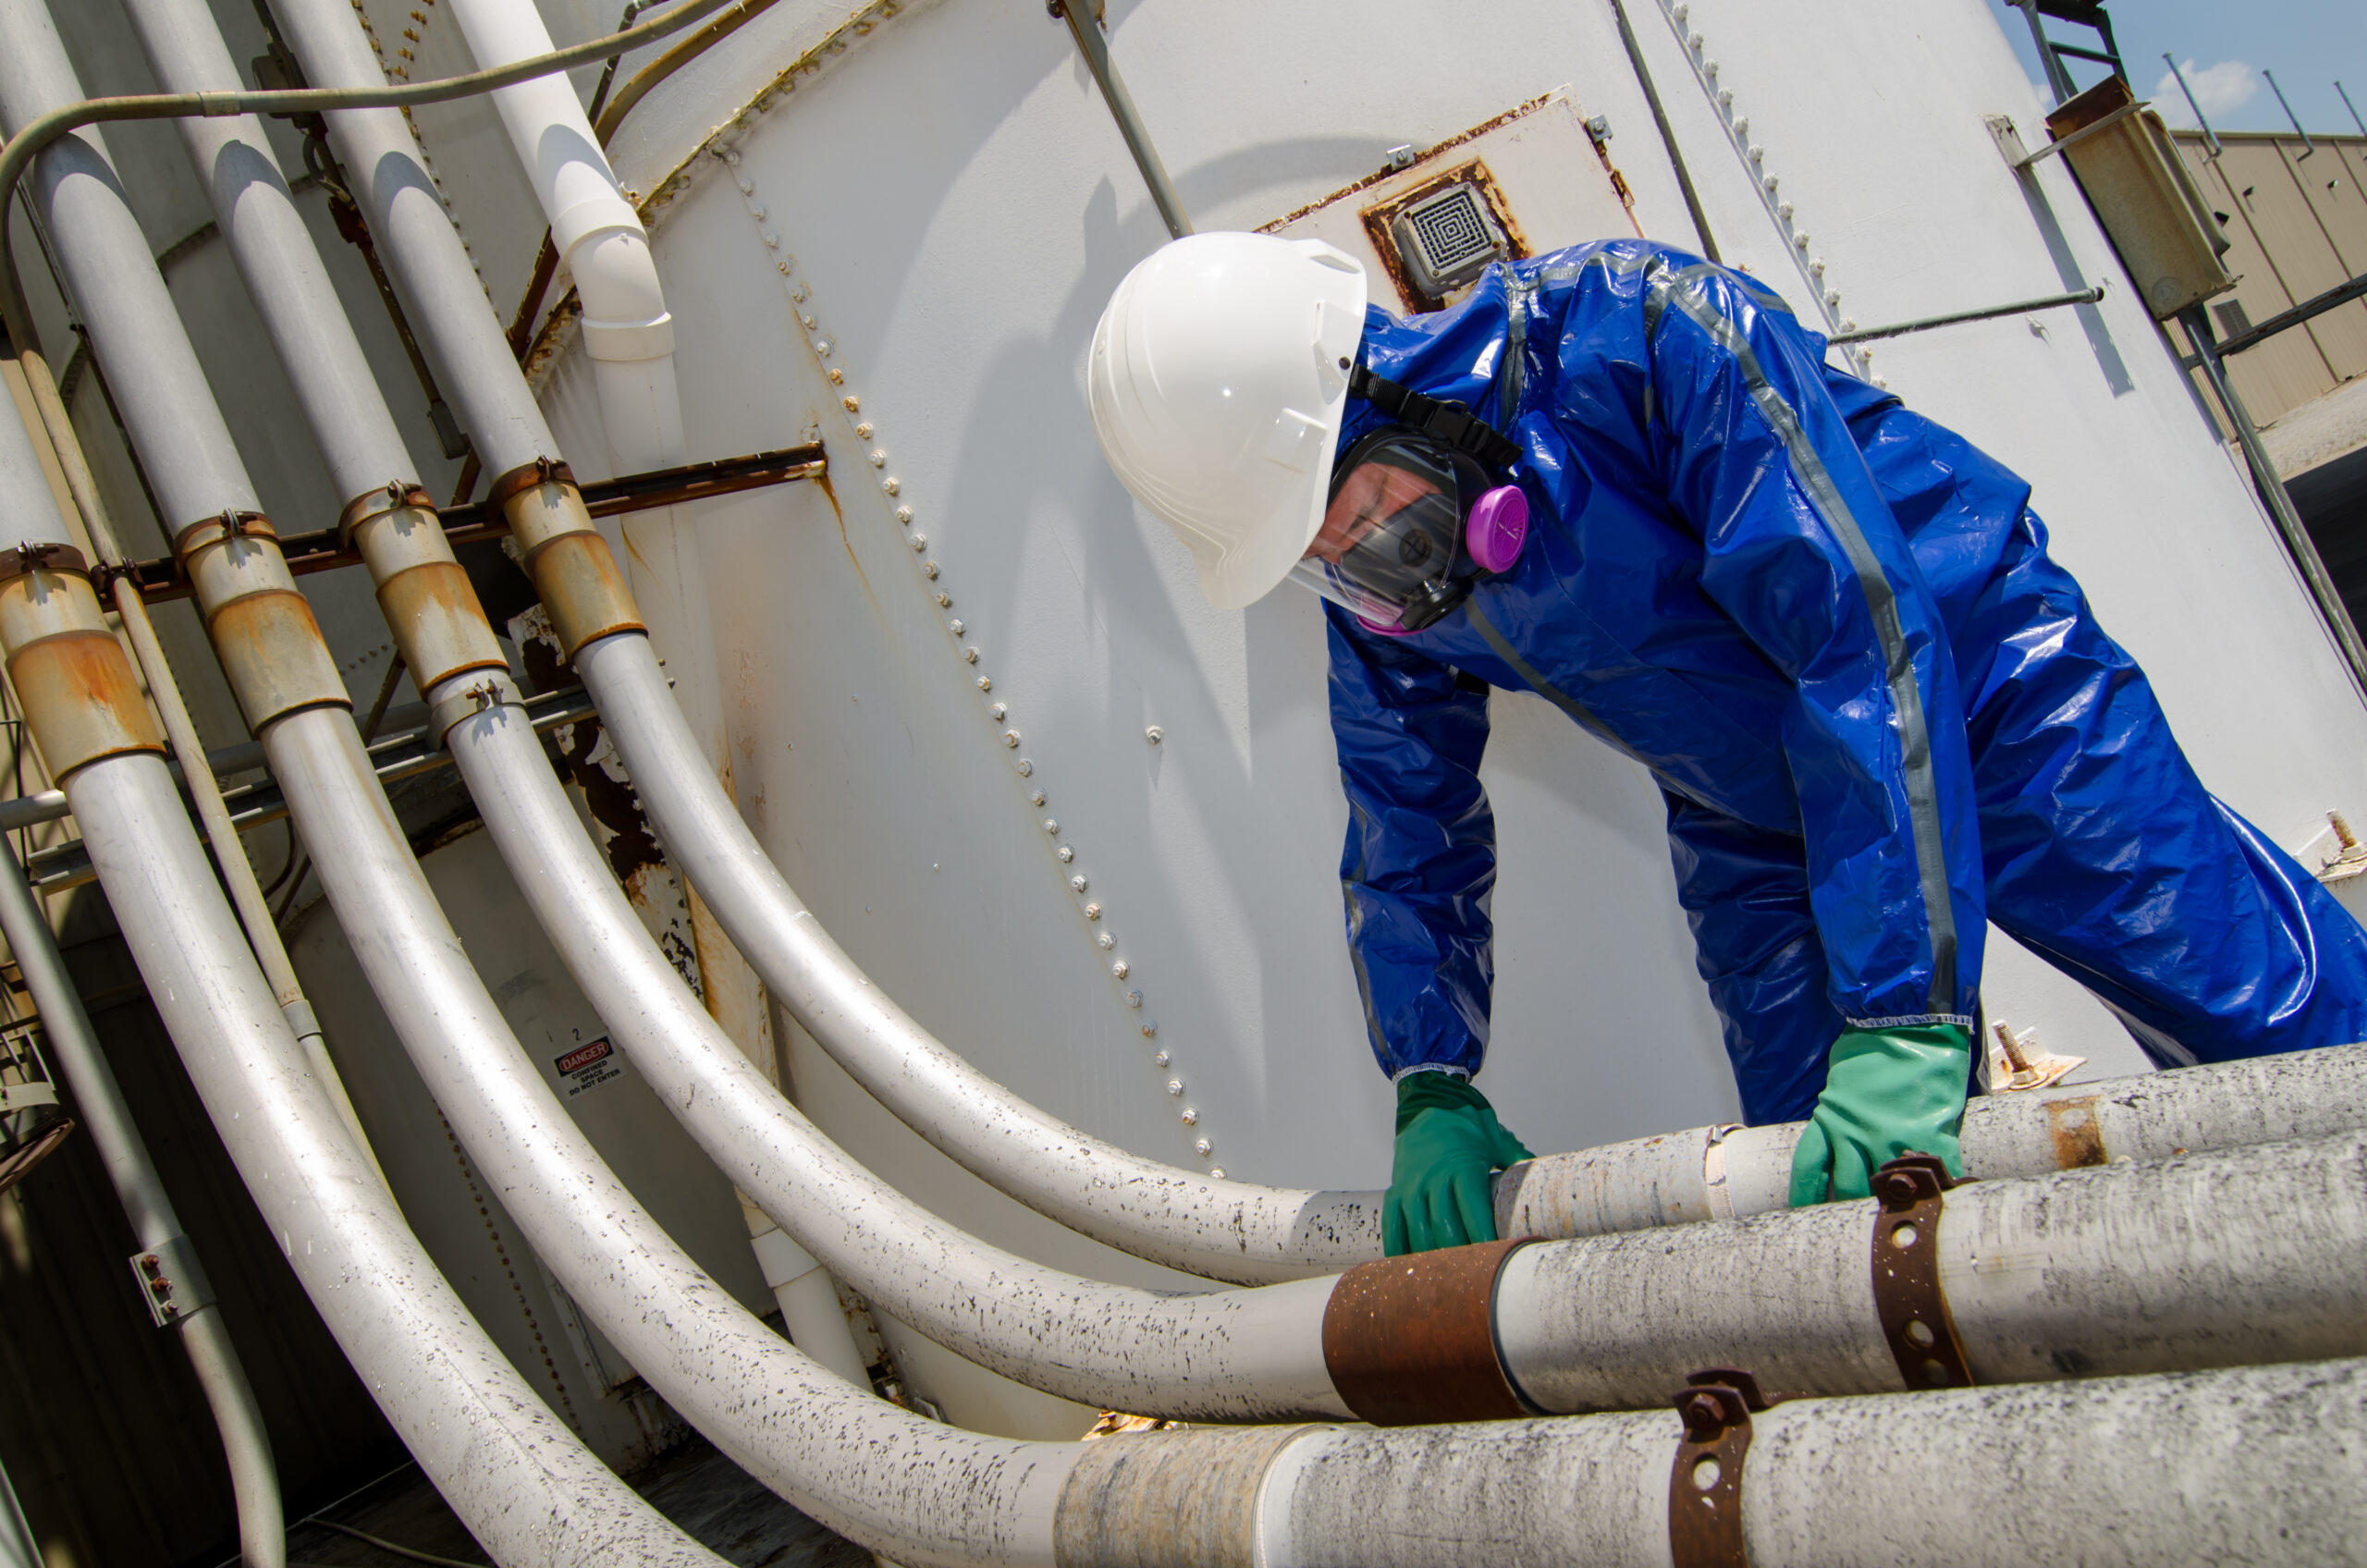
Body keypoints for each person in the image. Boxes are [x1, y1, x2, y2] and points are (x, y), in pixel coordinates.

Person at [1086, 230, 2367, 1255]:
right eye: (1316, 555)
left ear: (1389, 388)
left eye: (1354, 510)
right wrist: (1430, 1076)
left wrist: (1904, 1006)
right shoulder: (1387, 596)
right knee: (1833, 1199)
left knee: (2253, 1017)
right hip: (1747, 801)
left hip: (1984, 688)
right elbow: (1403, 822)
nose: (1367, 564)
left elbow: (1852, 641)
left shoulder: (1643, 332)